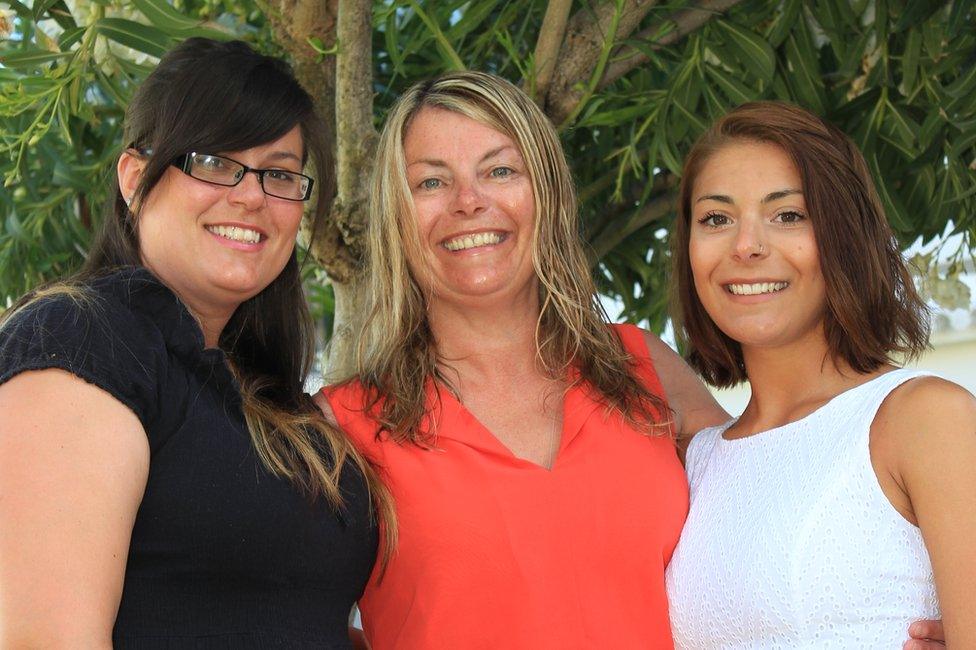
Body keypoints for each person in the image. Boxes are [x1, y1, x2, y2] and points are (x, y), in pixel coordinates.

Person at [0, 37, 391, 647]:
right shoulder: (81, 340)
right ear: (135, 178)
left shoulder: (256, 392)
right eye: (212, 160)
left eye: (280, 174)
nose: (251, 195)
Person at [314, 71, 726, 649]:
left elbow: (772, 533)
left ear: (547, 193)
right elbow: (281, 617)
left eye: (500, 171)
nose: (469, 202)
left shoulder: (645, 368)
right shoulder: (341, 426)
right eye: (431, 182)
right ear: (396, 216)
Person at [665, 101, 976, 647]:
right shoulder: (697, 462)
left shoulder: (924, 420)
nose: (746, 246)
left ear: (844, 237)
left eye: (788, 215)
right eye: (716, 218)